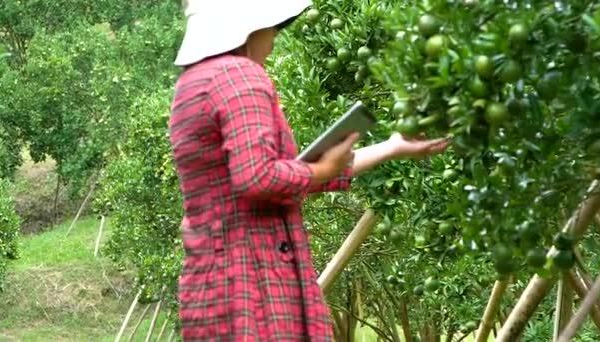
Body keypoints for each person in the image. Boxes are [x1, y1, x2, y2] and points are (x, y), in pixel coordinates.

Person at [169, 0, 450, 340]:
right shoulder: (238, 75)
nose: (273, 37)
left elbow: (280, 178)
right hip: (255, 284)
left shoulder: (191, 85)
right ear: (246, 25)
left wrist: (390, 147)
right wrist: (323, 170)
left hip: (213, 285)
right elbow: (258, 178)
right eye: (271, 26)